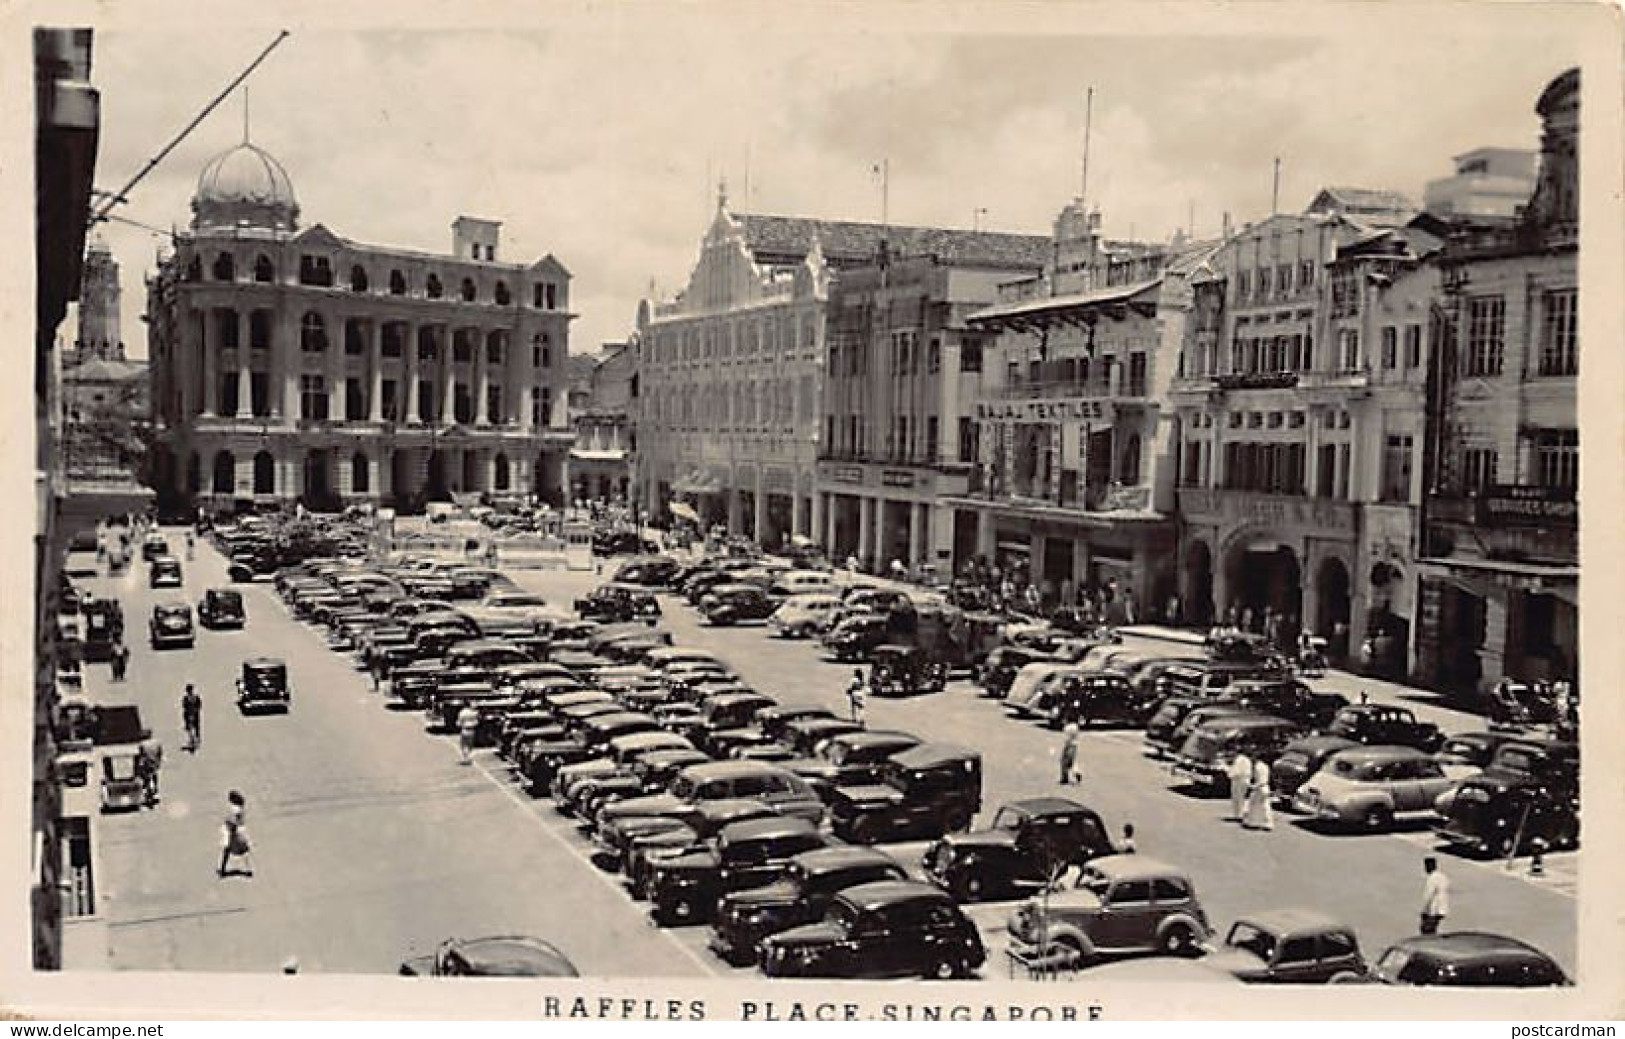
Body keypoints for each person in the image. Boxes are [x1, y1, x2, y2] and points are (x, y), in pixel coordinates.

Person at [218, 790, 253, 878]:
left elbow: (235, 821)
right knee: (242, 850)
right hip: (237, 832)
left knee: (228, 850)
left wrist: (230, 826)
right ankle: (248, 870)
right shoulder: (239, 808)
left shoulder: (236, 810)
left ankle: (223, 870)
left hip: (234, 833)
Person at [1420, 856, 1450, 934]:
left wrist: (1424, 911)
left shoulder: (1432, 878)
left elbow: (1429, 896)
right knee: (1433, 929)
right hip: (1442, 909)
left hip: (1433, 910)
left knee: (1426, 931)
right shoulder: (1443, 877)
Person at [1243, 756, 1274, 831]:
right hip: (1265, 787)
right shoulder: (1266, 766)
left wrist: (1253, 786)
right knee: (1265, 806)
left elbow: (1260, 779)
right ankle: (1268, 823)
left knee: (1253, 804)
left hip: (1259, 788)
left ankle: (1252, 822)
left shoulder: (1257, 767)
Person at [137, 734, 163, 806]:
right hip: (155, 762)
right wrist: (158, 761)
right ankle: (155, 787)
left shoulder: (142, 744)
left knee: (146, 778)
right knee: (154, 774)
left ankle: (148, 790)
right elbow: (160, 752)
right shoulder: (156, 742)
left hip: (147, 763)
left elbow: (141, 755)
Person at [1227, 752, 1253, 822]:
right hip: (1245, 780)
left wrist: (1230, 774)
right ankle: (1241, 813)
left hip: (1238, 780)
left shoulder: (1239, 760)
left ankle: (1238, 814)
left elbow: (1236, 771)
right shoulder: (1247, 760)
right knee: (1242, 797)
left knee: (1237, 797)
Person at [182, 684, 203, 751]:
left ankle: (194, 740)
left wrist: (193, 712)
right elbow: (185, 706)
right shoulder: (191, 697)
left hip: (192, 714)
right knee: (192, 728)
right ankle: (193, 740)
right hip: (191, 714)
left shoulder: (193, 697)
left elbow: (199, 705)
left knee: (194, 728)